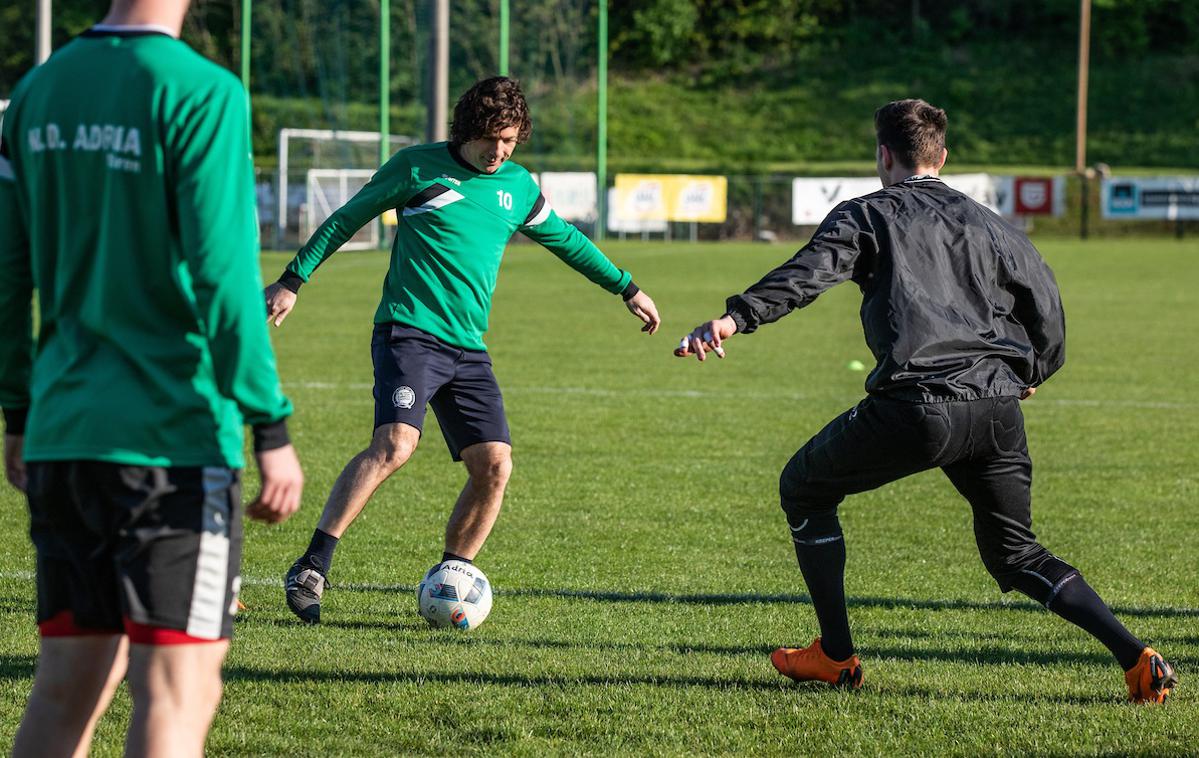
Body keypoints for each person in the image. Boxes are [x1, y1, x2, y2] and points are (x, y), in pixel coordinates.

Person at [675, 99, 1176, 704]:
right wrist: (1033, 368)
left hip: (919, 405)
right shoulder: (989, 221)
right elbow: (1045, 300)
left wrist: (734, 319)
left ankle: (835, 655)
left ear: (883, 155)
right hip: (996, 407)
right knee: (1017, 554)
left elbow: (808, 273)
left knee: (804, 488)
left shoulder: (867, 214)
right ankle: (1136, 658)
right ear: (943, 157)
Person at [0, 1, 304, 755]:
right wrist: (268, 423)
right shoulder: (203, 90)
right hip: (170, 444)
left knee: (67, 687)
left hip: (63, 436)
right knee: (179, 693)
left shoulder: (39, 90)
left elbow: (7, 280)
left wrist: (16, 413)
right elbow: (223, 275)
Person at [268, 76, 661, 624]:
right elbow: (344, 220)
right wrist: (292, 280)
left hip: (468, 348)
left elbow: (568, 241)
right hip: (409, 332)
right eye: (490, 140)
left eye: (510, 140)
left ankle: (452, 579)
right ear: (466, 131)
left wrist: (626, 286)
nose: (499, 152)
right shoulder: (417, 167)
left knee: (494, 466)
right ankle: (313, 564)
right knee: (396, 445)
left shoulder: (519, 187)